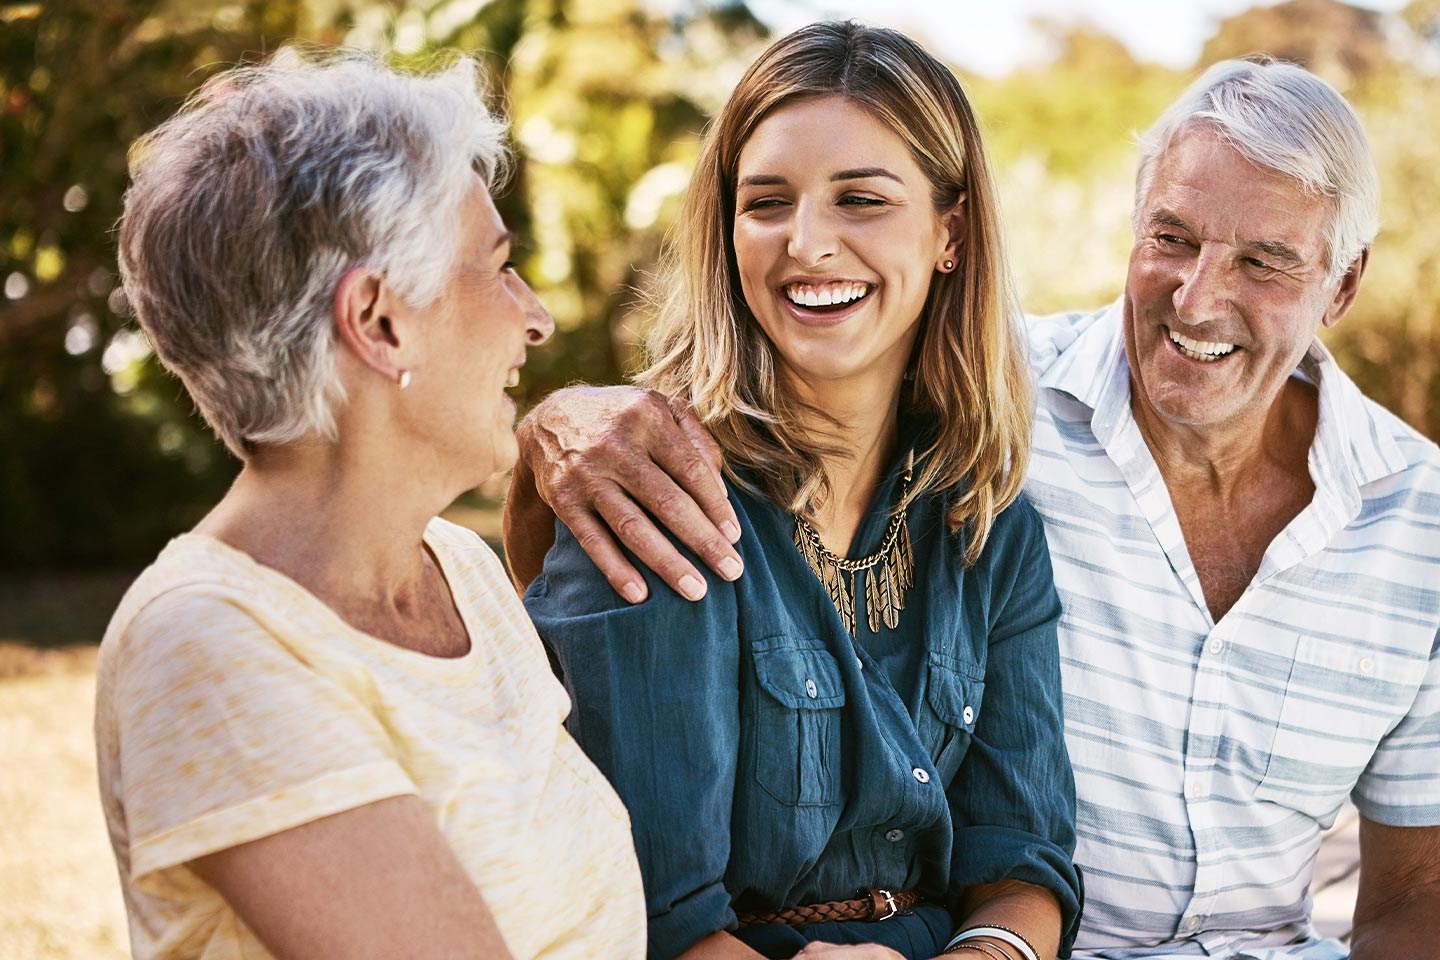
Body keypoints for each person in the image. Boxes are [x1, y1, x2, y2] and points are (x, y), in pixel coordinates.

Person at [505, 56, 1440, 960]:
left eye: (1265, 262)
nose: (1198, 300)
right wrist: (555, 420)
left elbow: (1412, 899)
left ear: (1343, 284)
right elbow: (643, 915)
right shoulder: (962, 406)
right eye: (1172, 239)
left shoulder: (987, 483)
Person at [521, 21, 1082, 960]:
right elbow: (653, 916)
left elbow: (1022, 859)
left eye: (861, 199)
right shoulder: (655, 490)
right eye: (767, 203)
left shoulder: (985, 518)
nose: (808, 244)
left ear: (950, 232)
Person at [94, 50, 646, 960]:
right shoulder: (208, 643)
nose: (536, 316)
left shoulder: (459, 570)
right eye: (499, 268)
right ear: (380, 322)